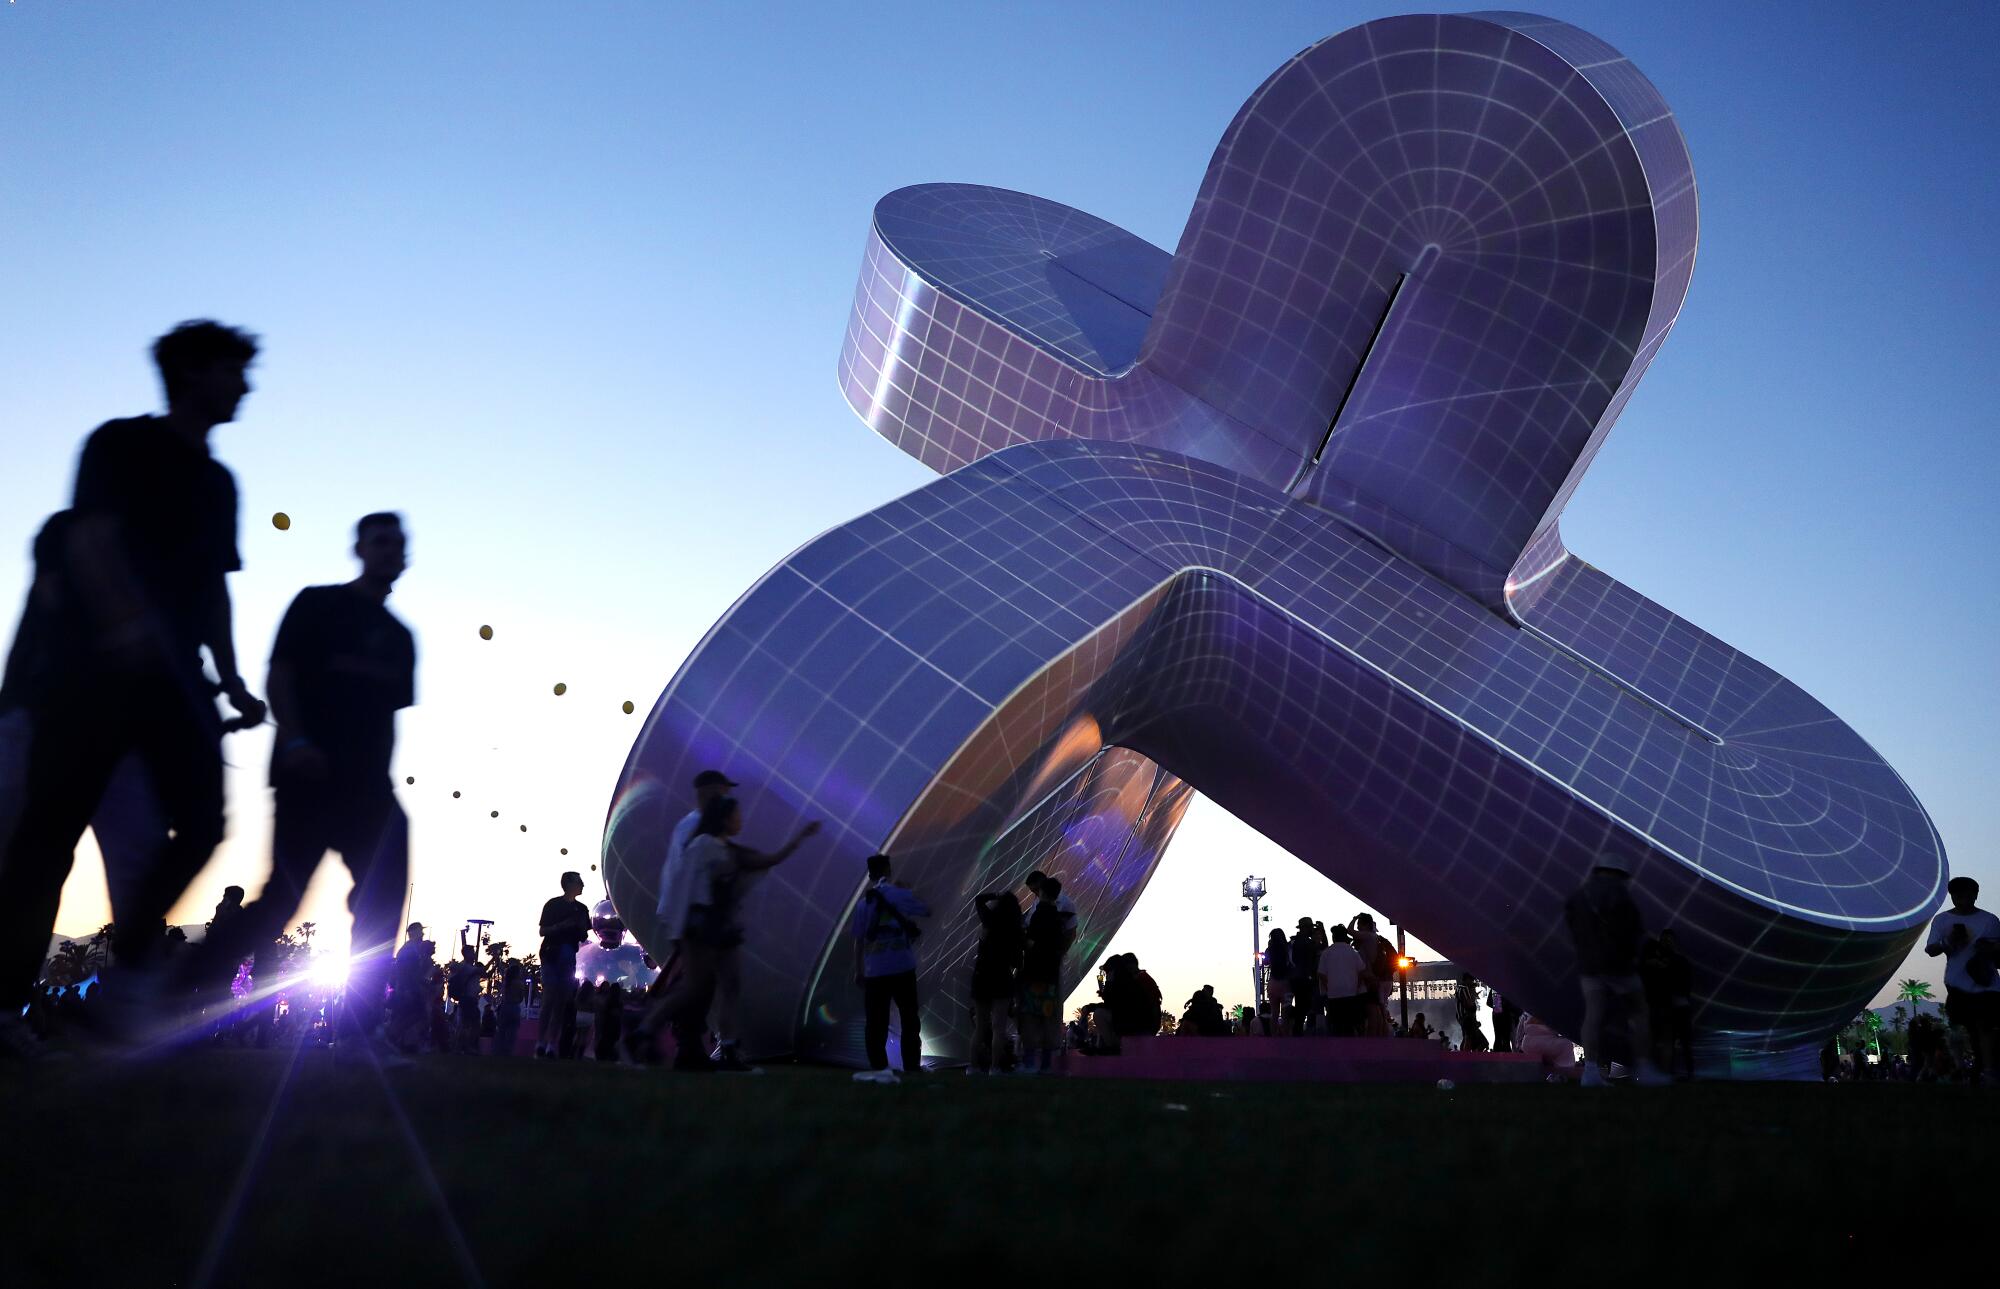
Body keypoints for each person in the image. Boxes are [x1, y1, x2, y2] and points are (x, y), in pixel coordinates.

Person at [0, 321, 267, 1039]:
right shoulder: (119, 445)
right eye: (232, 371)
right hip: (91, 676)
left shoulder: (218, 483)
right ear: (191, 372)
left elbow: (214, 589)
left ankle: (126, 978)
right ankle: (5, 1004)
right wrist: (123, 630)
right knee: (47, 839)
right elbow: (85, 536)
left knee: (207, 821)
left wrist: (232, 677)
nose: (245, 385)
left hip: (171, 685)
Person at [184, 513, 416, 1036]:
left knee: (383, 896)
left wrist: (382, 785)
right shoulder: (318, 606)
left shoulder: (400, 637)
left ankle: (359, 1033)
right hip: (307, 777)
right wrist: (295, 739)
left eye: (398, 544)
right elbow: (280, 674)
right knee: (282, 902)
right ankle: (177, 991)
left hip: (367, 792)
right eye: (380, 541)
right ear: (359, 548)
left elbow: (389, 723)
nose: (390, 551)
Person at [637, 795, 818, 1071]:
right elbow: (684, 887)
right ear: (723, 817)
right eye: (736, 815)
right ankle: (646, 1029)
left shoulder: (730, 850)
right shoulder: (702, 847)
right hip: (702, 927)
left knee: (731, 985)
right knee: (695, 987)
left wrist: (800, 839)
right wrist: (680, 929)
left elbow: (769, 859)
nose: (740, 820)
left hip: (723, 928)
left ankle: (729, 1047)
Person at [1563, 853, 1669, 1087]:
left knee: (1593, 1016)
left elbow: (1571, 926)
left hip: (1589, 965)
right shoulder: (1619, 893)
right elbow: (1633, 929)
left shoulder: (1579, 896)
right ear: (1618, 874)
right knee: (1639, 1012)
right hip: (1619, 965)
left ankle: (1590, 1072)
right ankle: (1644, 1068)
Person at [851, 853, 930, 1083]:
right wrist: (907, 892)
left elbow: (858, 940)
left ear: (870, 874)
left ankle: (879, 1067)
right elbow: (925, 909)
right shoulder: (899, 895)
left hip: (875, 970)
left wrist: (859, 970)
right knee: (909, 1019)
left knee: (876, 1023)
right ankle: (912, 1067)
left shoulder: (863, 904)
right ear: (888, 870)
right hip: (903, 967)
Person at [1924, 876, 2000, 1084]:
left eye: (1967, 896)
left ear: (1975, 895)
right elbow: (1930, 949)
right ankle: (1979, 1066)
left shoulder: (1990, 920)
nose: (1963, 900)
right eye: (1958, 896)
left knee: (1985, 1025)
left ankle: (1989, 1070)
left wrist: (1990, 947)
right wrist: (1949, 941)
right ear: (1952, 897)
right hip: (1957, 982)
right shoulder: (1942, 921)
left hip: (1986, 982)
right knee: (1971, 1028)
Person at [1018, 877, 1072, 1074]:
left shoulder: (1039, 914)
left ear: (1041, 891)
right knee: (1048, 1017)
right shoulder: (1058, 919)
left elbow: (1031, 943)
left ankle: (1030, 1062)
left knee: (1032, 1016)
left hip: (1034, 973)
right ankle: (1046, 1064)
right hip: (1050, 974)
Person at [535, 872, 591, 1058]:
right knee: (549, 998)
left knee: (561, 1002)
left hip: (569, 955)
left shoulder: (582, 909)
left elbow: (583, 936)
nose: (582, 884)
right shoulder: (553, 905)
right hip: (552, 953)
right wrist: (562, 925)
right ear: (568, 884)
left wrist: (581, 928)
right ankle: (541, 1042)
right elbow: (543, 930)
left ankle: (551, 1043)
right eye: (578, 881)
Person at [968, 891, 1023, 1073]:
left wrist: (997, 895)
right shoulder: (1015, 930)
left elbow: (978, 899)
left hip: (982, 977)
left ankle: (973, 1066)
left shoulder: (988, 921)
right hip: (1002, 978)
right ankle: (995, 1067)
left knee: (980, 1025)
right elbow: (1017, 962)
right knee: (999, 1027)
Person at [1317, 926, 1365, 1037]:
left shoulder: (1326, 953)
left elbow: (1321, 974)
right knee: (1349, 1025)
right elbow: (1361, 970)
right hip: (1351, 992)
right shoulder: (1352, 952)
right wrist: (1357, 986)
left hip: (1333, 994)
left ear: (1333, 937)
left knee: (1336, 1025)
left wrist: (1328, 987)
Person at [1349, 914, 1393, 1037]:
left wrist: (1354, 918)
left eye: (1359, 924)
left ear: (1366, 925)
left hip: (1371, 978)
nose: (1357, 927)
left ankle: (1374, 1036)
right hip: (1379, 977)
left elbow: (1350, 930)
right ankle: (1381, 1035)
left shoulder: (1368, 936)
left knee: (1372, 1008)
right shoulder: (1375, 938)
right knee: (1379, 1009)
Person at [447, 944, 483, 1053]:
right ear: (467, 954)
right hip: (468, 999)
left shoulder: (467, 967)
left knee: (469, 1024)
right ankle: (464, 1047)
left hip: (470, 999)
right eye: (472, 952)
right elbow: (480, 971)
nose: (474, 954)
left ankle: (463, 1047)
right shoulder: (465, 967)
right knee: (469, 1024)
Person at [1288, 919, 1320, 1036]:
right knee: (1304, 1007)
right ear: (1306, 928)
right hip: (1304, 979)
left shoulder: (1294, 942)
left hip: (1296, 978)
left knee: (1300, 1007)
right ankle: (1298, 1031)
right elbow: (1315, 955)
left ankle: (1297, 1030)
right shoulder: (1307, 943)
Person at [493, 960, 525, 1057]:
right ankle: (508, 1052)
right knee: (512, 1032)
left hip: (505, 1006)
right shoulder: (519, 984)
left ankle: (498, 1051)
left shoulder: (506, 983)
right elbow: (521, 997)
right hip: (514, 1007)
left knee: (501, 1030)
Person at [1263, 929, 1291, 1036]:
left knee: (1274, 1012)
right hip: (1286, 983)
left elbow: (1265, 962)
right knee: (1285, 1014)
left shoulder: (1270, 950)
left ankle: (1273, 1036)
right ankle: (1285, 1035)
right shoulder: (1287, 948)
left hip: (1273, 982)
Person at [1454, 972, 1488, 1052]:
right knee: (1469, 1038)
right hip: (1467, 1018)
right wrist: (1473, 996)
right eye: (1472, 980)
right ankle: (1467, 1057)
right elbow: (1469, 1005)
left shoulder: (1459, 988)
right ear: (1467, 980)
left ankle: (1465, 1056)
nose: (1473, 982)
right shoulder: (1464, 989)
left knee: (1467, 1037)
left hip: (1464, 1018)